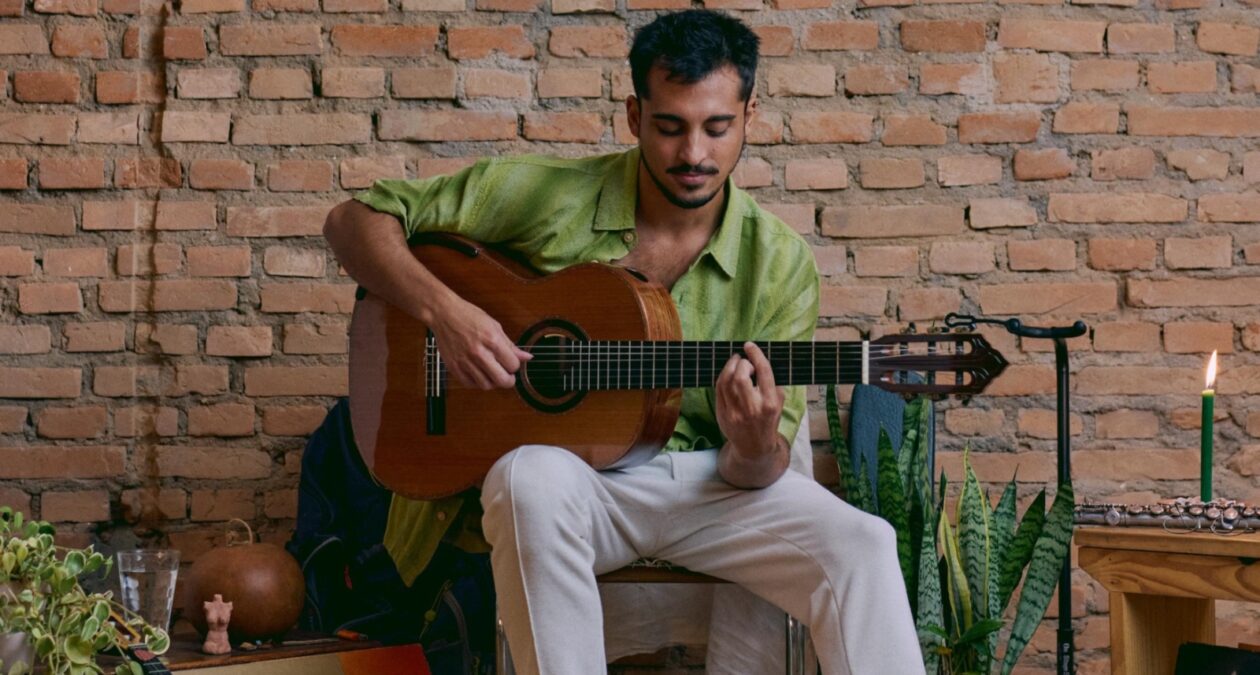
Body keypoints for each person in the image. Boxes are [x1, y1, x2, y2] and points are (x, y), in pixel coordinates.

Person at [323, 9, 924, 675]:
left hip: (711, 486)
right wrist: (447, 314)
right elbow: (352, 222)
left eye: (717, 127)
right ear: (635, 116)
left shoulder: (780, 263)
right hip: (578, 483)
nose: (693, 154)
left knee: (865, 542)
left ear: (750, 115)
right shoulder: (546, 196)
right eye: (669, 127)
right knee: (523, 477)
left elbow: (754, 471)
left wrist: (755, 444)